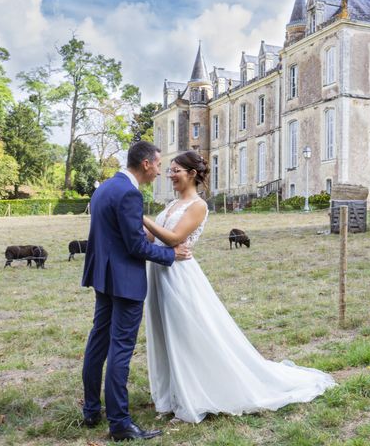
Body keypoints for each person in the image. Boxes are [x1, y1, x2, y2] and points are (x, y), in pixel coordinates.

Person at [142, 151, 336, 424]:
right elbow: (149, 236)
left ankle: (194, 395)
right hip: (158, 275)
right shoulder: (172, 205)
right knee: (163, 333)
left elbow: (175, 237)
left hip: (179, 277)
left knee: (185, 334)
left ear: (192, 174)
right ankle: (171, 394)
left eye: (176, 170)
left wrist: (141, 216)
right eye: (170, 170)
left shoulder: (197, 206)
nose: (170, 175)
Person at [81, 141, 191, 442]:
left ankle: (91, 410)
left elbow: (113, 232)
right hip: (125, 282)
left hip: (103, 277)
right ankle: (119, 423)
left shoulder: (104, 188)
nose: (160, 170)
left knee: (98, 341)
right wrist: (171, 255)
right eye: (158, 164)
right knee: (121, 349)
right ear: (145, 164)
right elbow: (135, 246)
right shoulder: (129, 193)